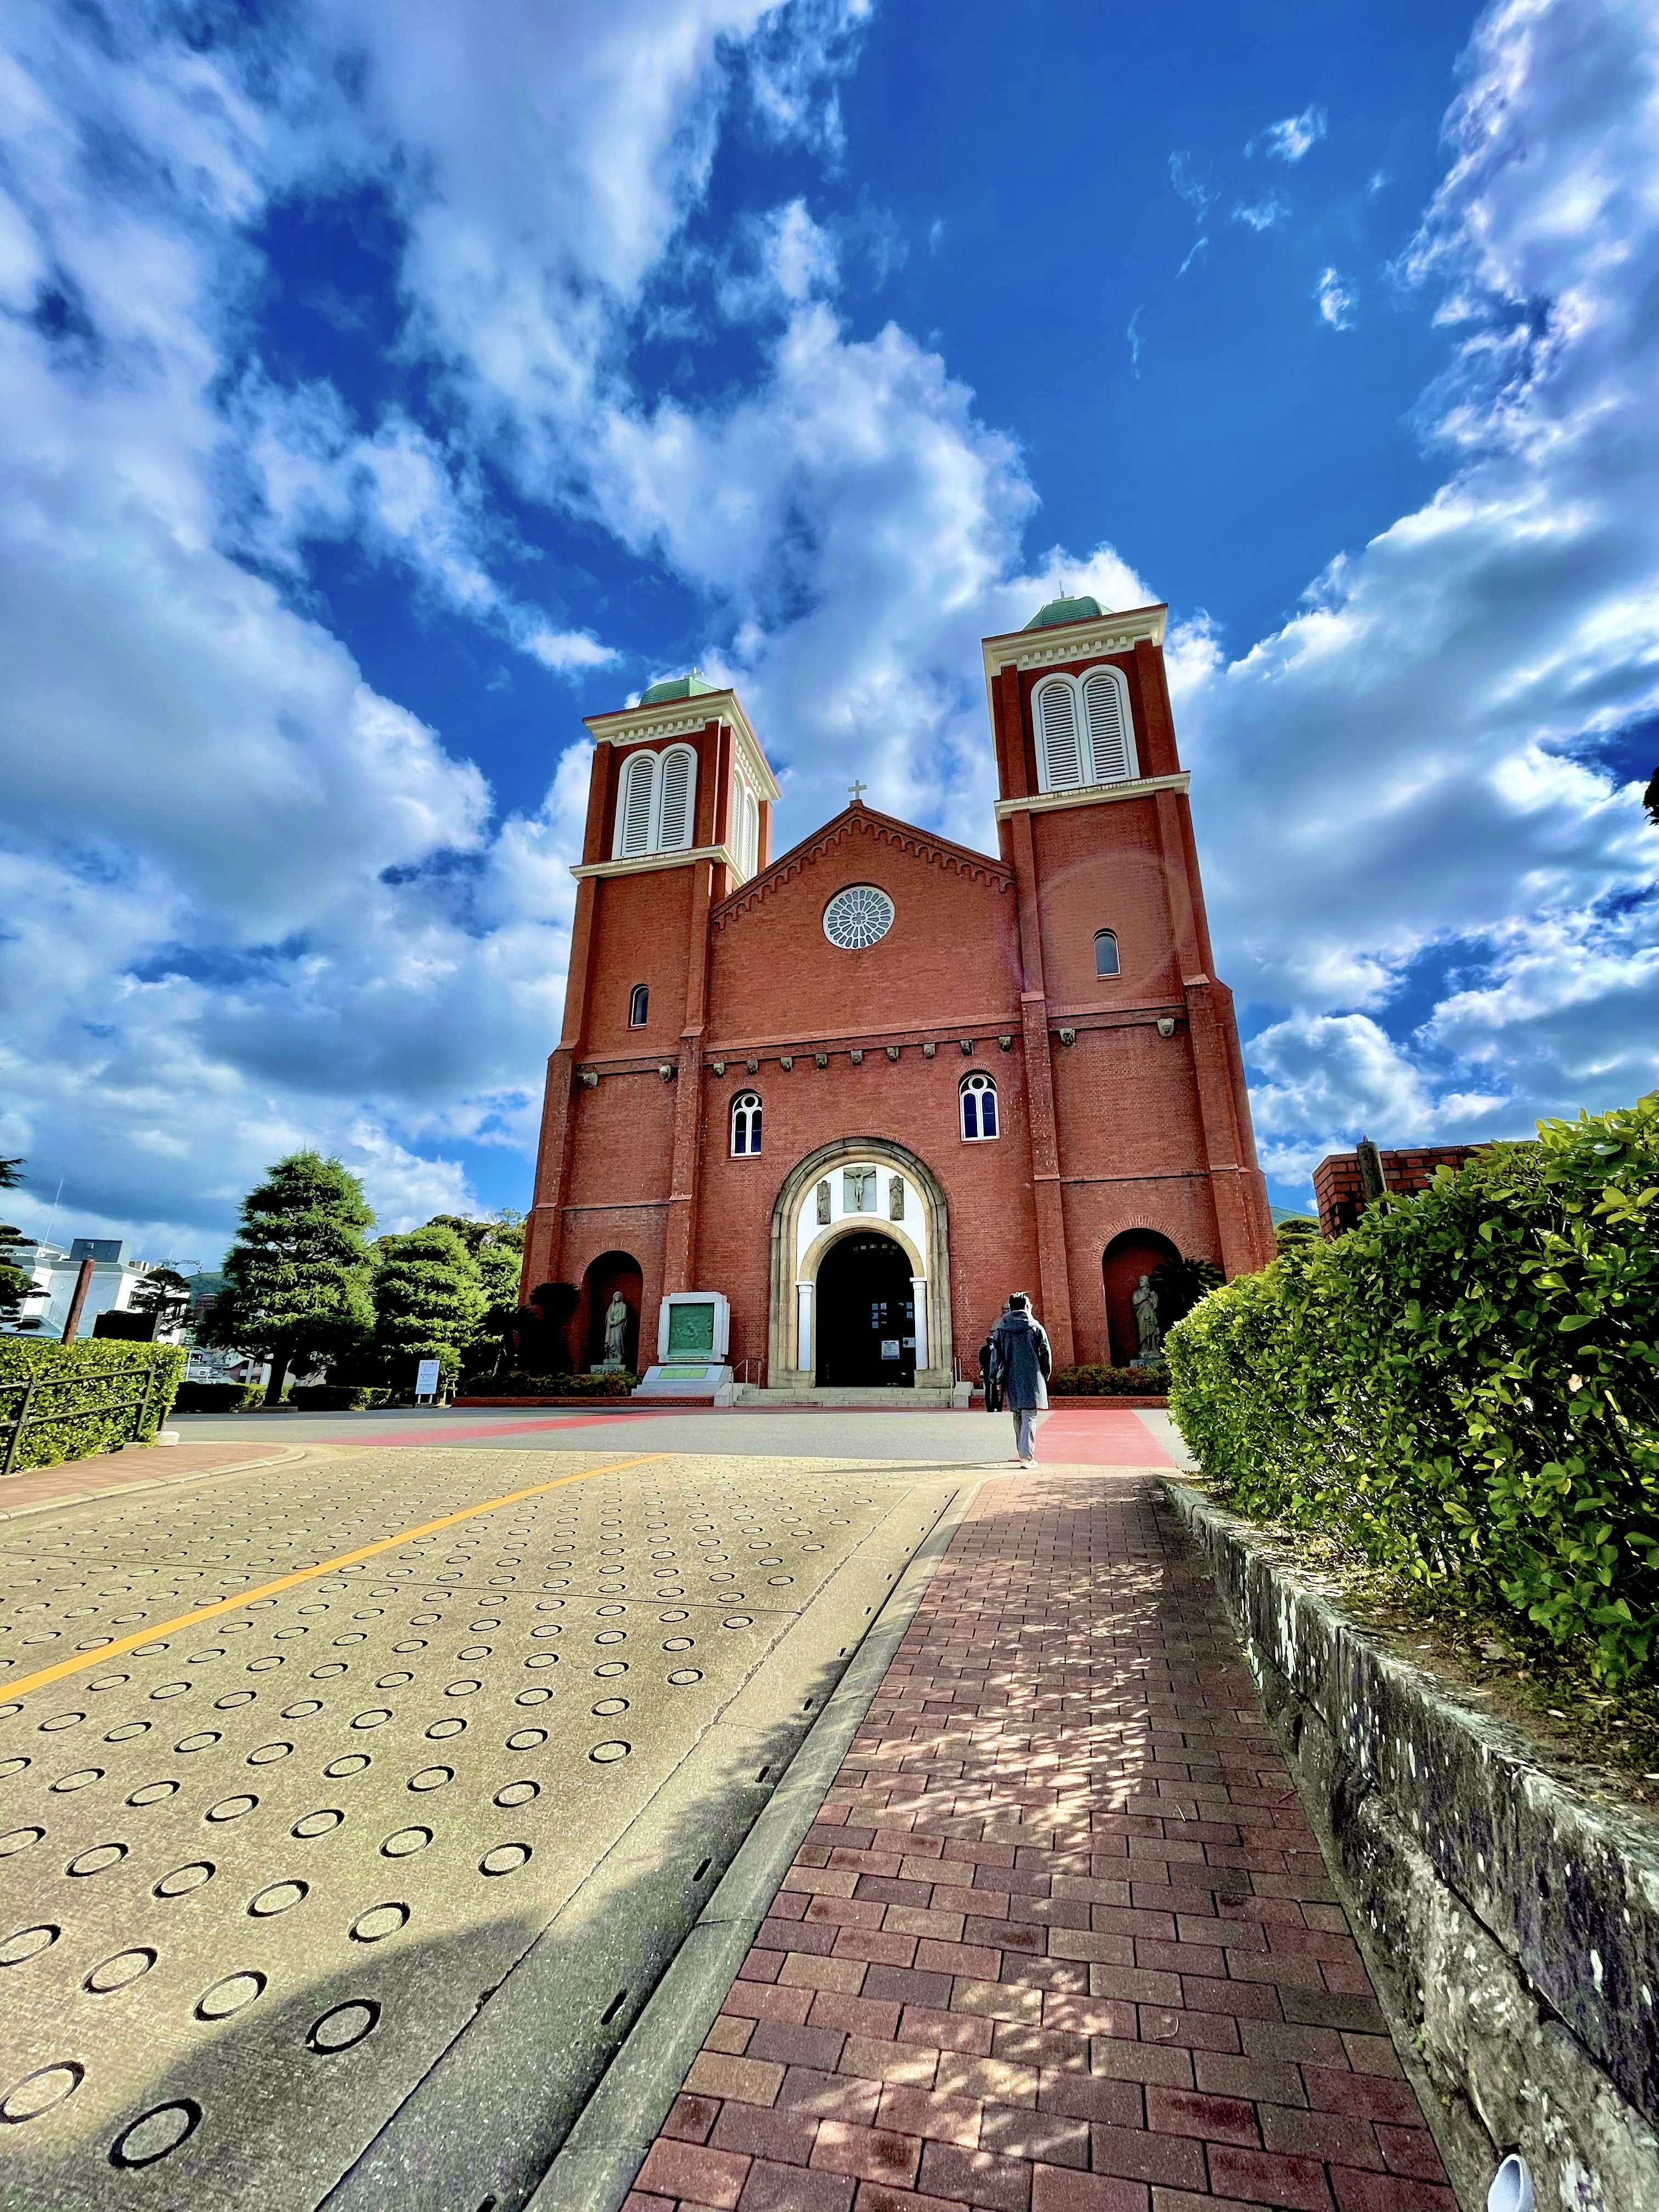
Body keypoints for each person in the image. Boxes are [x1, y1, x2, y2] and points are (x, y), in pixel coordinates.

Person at [986, 1291, 1051, 1466]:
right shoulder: (1035, 1327)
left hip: (1011, 1376)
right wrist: (1046, 1373)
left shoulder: (1002, 1329)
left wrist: (994, 1376)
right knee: (1030, 1414)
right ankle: (1026, 1457)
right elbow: (1045, 1353)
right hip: (1032, 1376)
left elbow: (996, 1355)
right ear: (1027, 1307)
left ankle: (1023, 1452)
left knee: (1018, 1414)